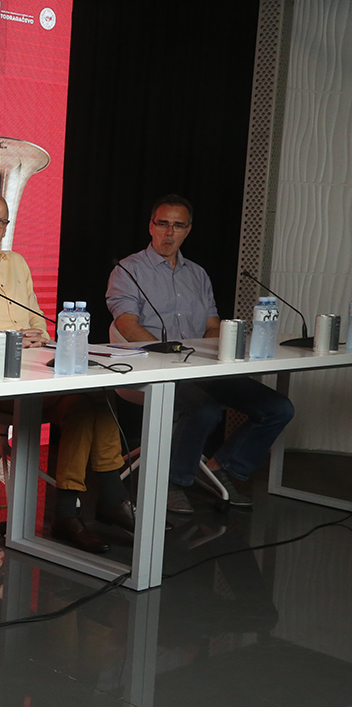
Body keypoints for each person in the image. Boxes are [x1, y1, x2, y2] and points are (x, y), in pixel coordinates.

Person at [0, 192, 131, 553]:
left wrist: (42, 335)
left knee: (96, 395)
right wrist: (2, 338)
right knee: (86, 402)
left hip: (34, 366)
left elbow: (35, 314)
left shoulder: (17, 263)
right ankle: (101, 500)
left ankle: (79, 508)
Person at [106, 194, 294, 514]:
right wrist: (168, 356)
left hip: (198, 368)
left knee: (277, 407)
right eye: (163, 224)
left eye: (178, 226)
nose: (169, 232)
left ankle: (222, 467)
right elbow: (126, 324)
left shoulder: (198, 274)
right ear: (151, 226)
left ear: (188, 230)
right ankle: (172, 482)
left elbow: (212, 326)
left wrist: (208, 355)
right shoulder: (128, 269)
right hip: (148, 370)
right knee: (204, 410)